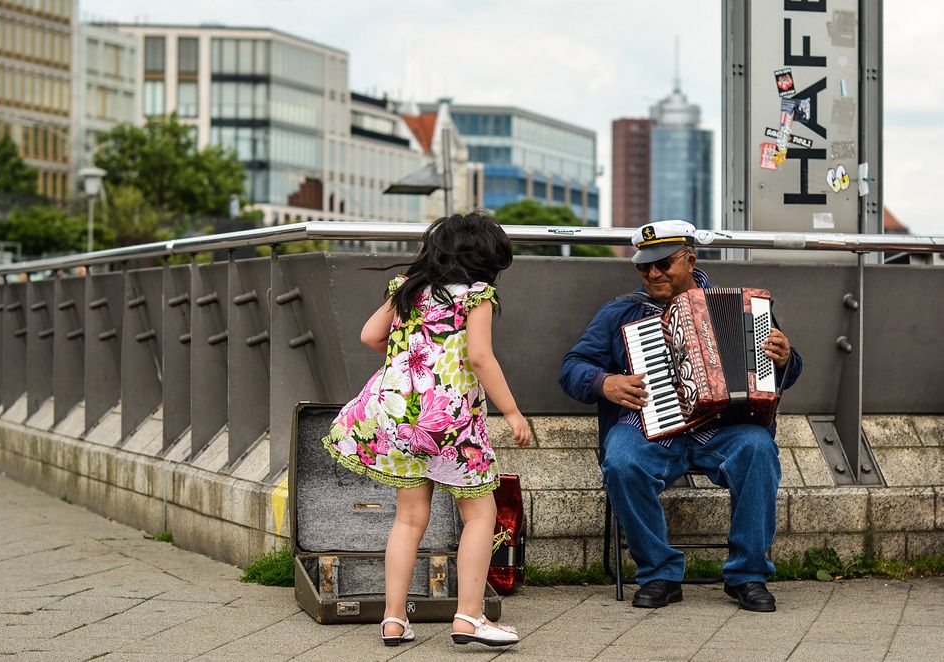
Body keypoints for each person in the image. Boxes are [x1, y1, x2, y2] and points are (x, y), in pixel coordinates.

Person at [559, 220, 803, 613]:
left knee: (758, 449)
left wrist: (785, 357)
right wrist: (605, 383)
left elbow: (785, 372)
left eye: (663, 264)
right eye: (644, 266)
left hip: (722, 427)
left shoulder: (745, 306)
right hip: (650, 427)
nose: (653, 273)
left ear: (690, 259)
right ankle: (660, 573)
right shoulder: (621, 312)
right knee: (621, 460)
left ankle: (747, 575)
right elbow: (572, 366)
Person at [323, 210, 529, 647]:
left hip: (398, 414)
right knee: (480, 514)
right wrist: (511, 412)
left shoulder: (408, 289)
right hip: (450, 419)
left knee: (409, 517)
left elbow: (369, 336)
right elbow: (479, 357)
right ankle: (469, 617)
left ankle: (394, 619)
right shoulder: (477, 296)